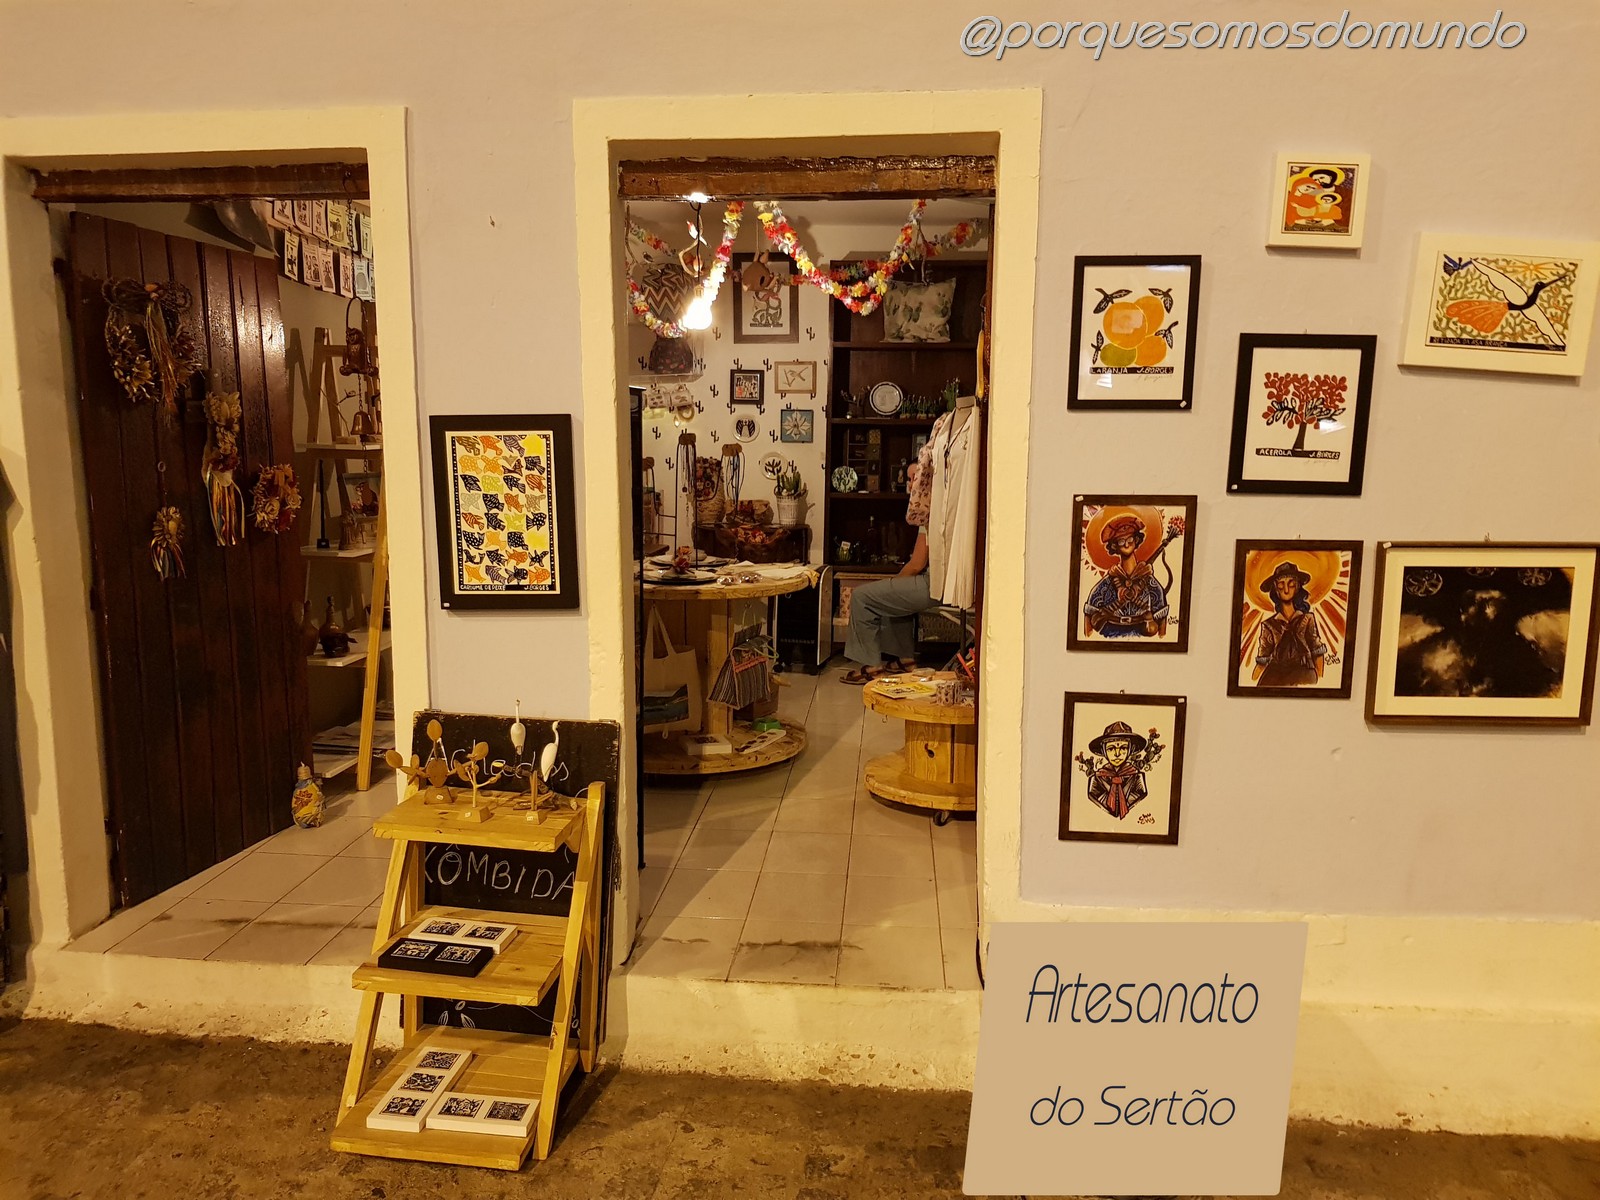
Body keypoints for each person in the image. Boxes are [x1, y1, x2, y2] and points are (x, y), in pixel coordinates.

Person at [1083, 514, 1169, 639]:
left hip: (1141, 631)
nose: (1126, 544)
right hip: (1111, 631)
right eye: (1121, 541)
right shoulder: (1108, 581)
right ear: (1114, 546)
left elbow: (1161, 614)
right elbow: (1090, 611)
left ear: (1136, 540)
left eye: (1130, 539)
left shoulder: (1149, 580)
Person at [1252, 560, 1327, 687]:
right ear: (1276, 589)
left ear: (1297, 586)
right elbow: (1262, 660)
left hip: (1304, 673)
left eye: (1291, 584)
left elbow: (1317, 652)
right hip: (1275, 677)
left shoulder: (1307, 619)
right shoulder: (1269, 625)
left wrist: (1320, 681)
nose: (1286, 590)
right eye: (1281, 585)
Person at [1085, 721, 1147, 819]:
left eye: (1123, 748)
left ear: (1130, 750)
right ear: (1104, 751)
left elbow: (1140, 795)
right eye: (1111, 749)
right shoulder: (1096, 779)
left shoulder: (1137, 777)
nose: (1117, 754)